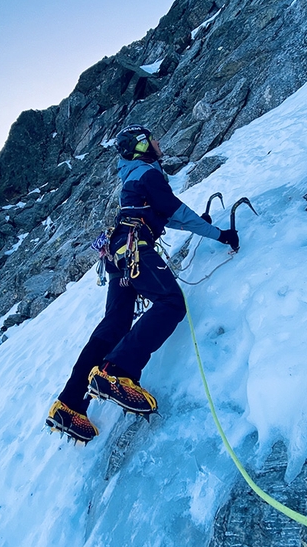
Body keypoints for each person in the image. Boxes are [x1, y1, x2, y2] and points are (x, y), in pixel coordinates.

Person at [46, 124, 239, 443]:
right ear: (141, 145)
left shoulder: (133, 176)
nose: (159, 143)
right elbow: (176, 210)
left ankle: (69, 405)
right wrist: (220, 235)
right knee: (171, 303)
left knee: (114, 326)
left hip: (118, 252)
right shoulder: (149, 173)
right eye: (153, 139)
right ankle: (117, 372)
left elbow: (167, 215)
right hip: (135, 247)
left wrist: (198, 225)